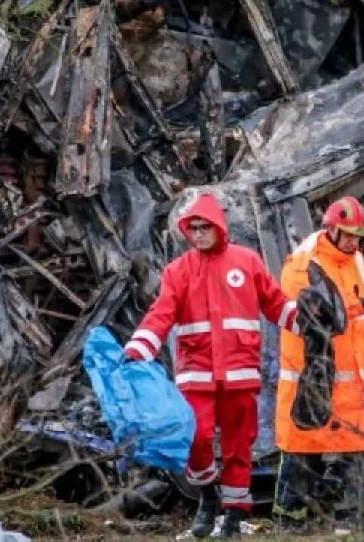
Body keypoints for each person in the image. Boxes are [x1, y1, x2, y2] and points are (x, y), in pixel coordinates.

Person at [123, 192, 301, 538]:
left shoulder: (247, 262)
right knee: (197, 436)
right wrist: (139, 347)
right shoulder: (178, 271)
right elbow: (161, 314)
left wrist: (307, 320)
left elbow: (275, 304)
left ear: (219, 227)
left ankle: (234, 514)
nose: (199, 234)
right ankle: (207, 494)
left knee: (239, 446)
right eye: (193, 228)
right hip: (196, 372)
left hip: (240, 371)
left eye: (205, 227)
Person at [272, 196, 364, 533]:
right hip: (315, 377)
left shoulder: (357, 261)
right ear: (332, 229)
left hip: (353, 375)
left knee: (360, 442)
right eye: (350, 235)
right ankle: (290, 518)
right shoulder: (305, 265)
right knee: (304, 445)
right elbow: (313, 324)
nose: (355, 242)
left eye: (359, 236)